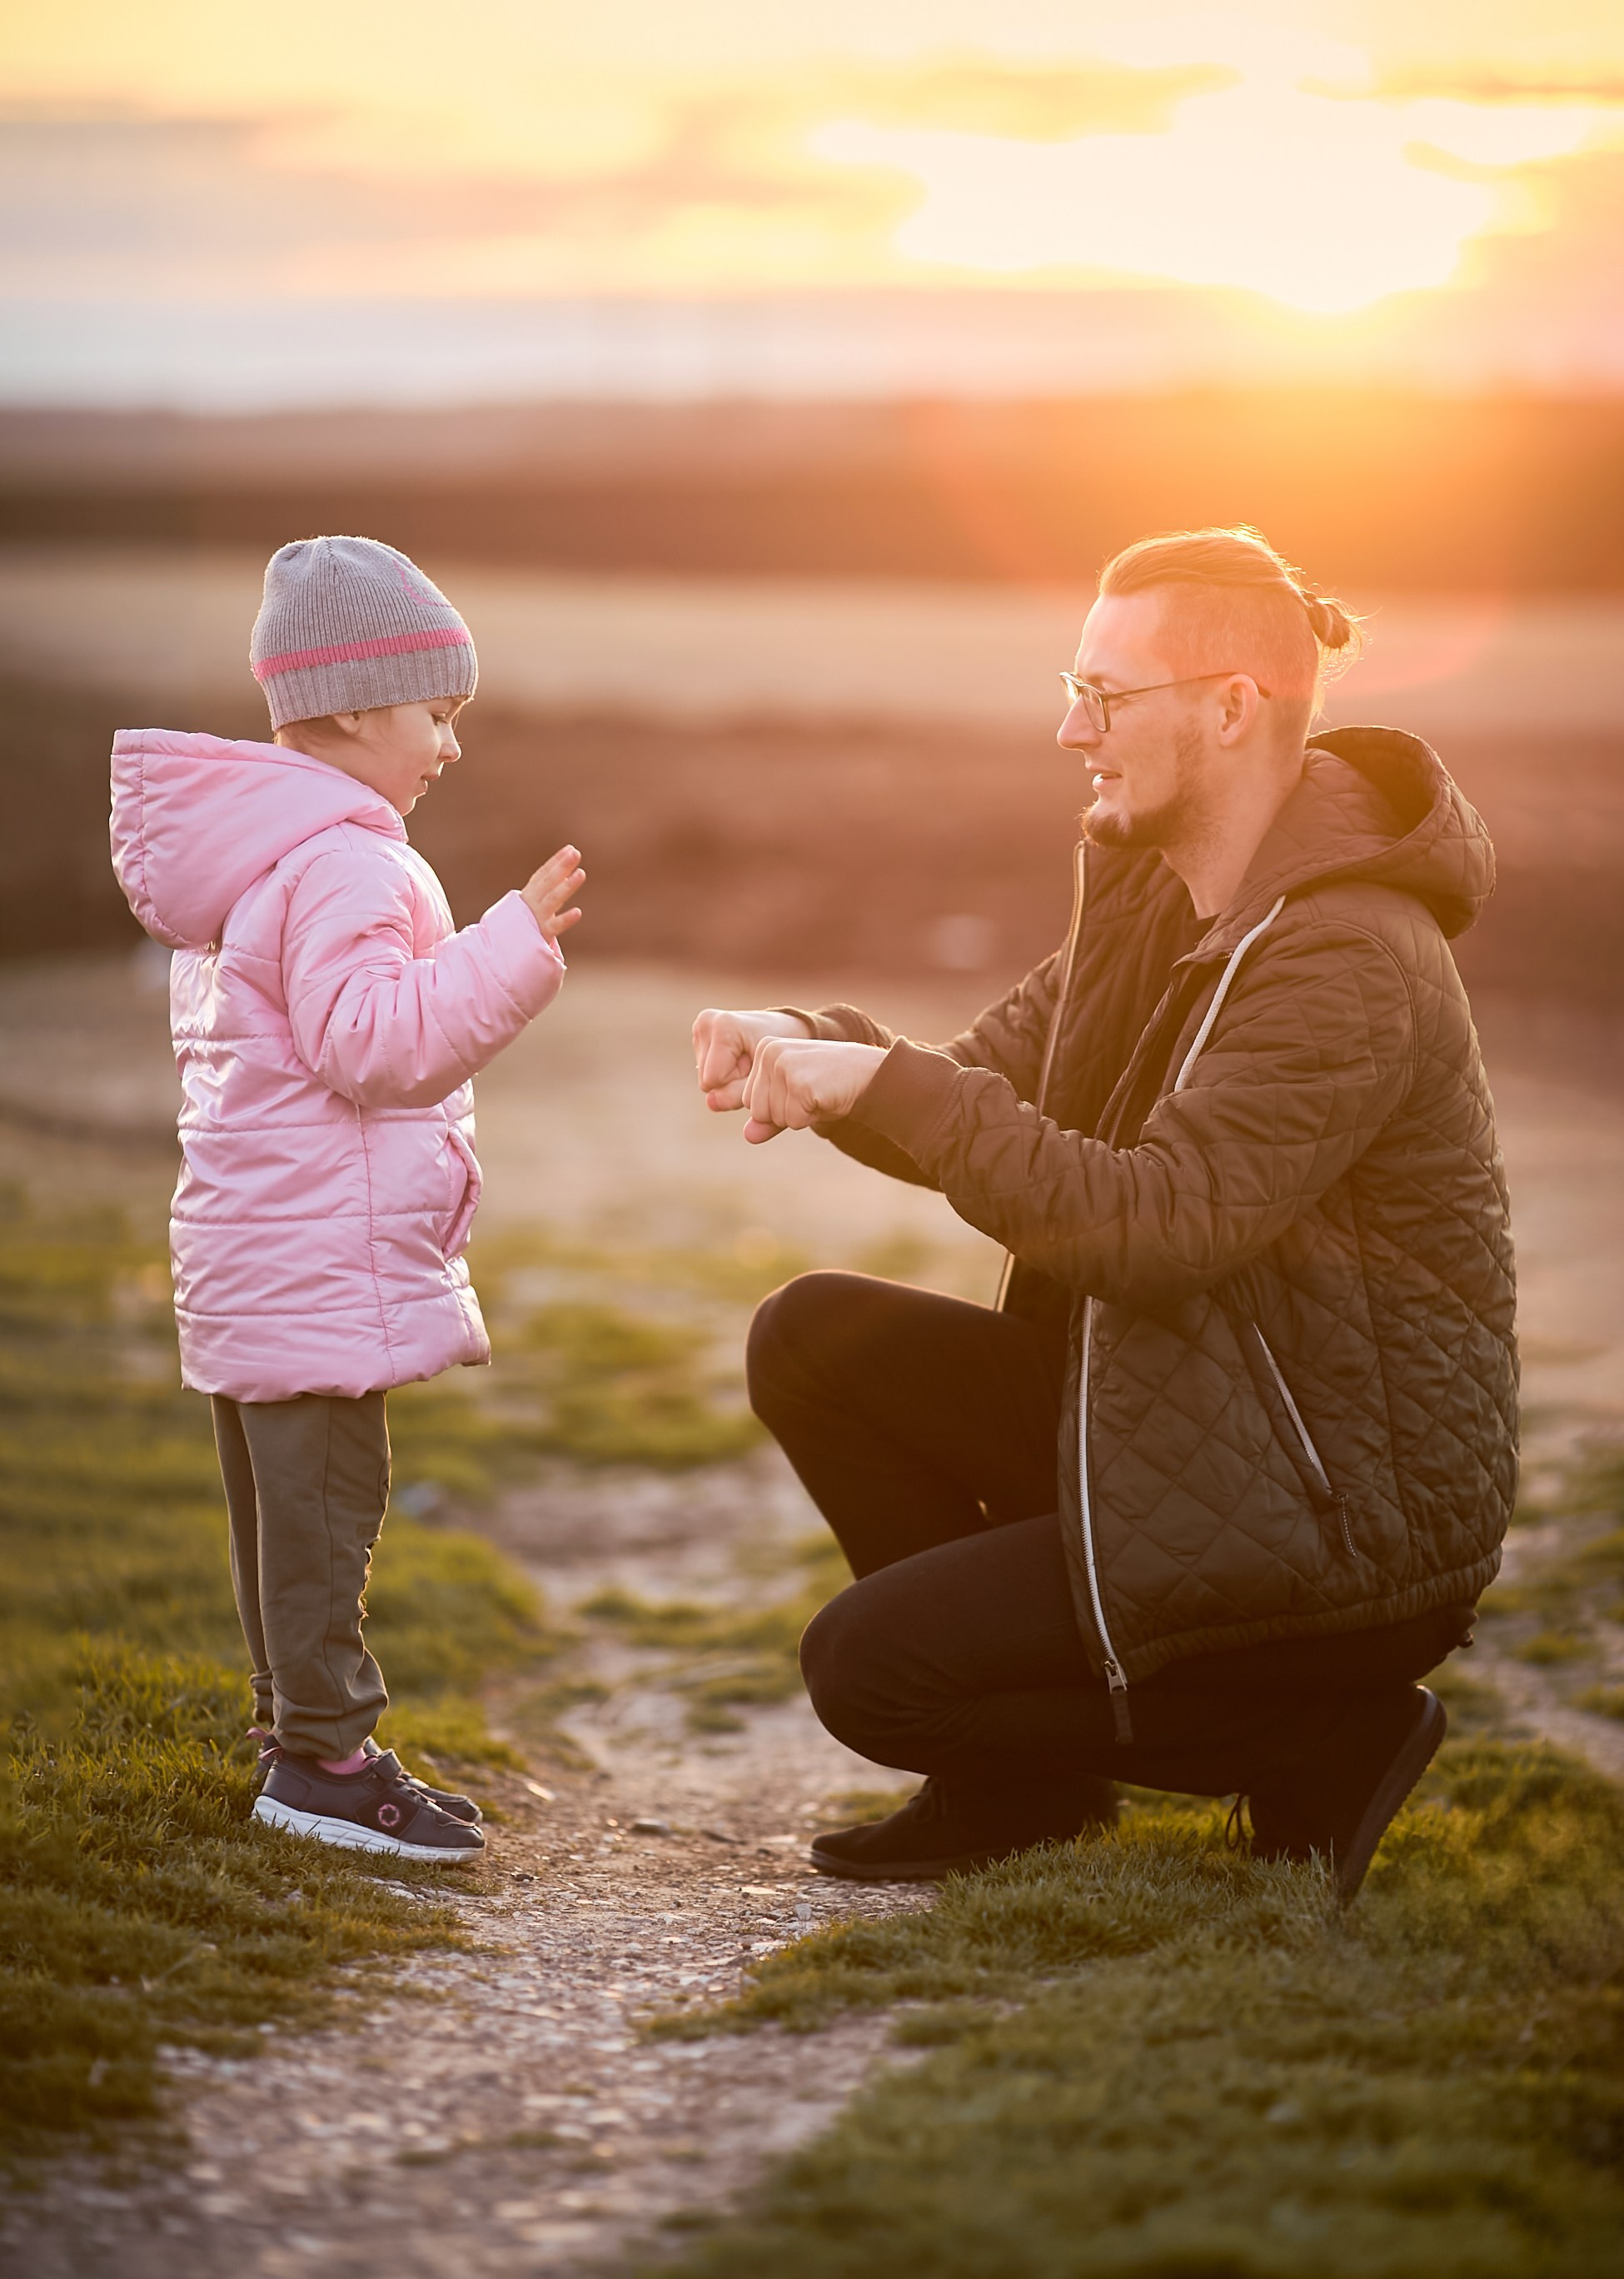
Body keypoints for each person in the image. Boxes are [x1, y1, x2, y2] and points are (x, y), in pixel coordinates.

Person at [693, 525, 1516, 1903]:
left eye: (1104, 696)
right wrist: (815, 1049)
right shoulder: (1160, 889)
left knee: (868, 1674)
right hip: (1187, 1415)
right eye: (1070, 686)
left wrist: (888, 1085)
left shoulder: (1348, 951)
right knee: (813, 1335)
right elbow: (982, 1088)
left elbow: (1158, 1226)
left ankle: (1329, 1731)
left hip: (1333, 1513)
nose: (1069, 729)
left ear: (1229, 708)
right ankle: (1021, 1789)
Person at [111, 535, 585, 1864]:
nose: (448, 745)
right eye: (438, 714)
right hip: (314, 1261)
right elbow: (372, 1044)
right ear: (356, 707)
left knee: (280, 1518)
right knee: (325, 1513)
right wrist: (512, 944)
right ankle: (327, 1763)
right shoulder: (347, 864)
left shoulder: (255, 864)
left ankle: (295, 1736)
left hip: (253, 1254)